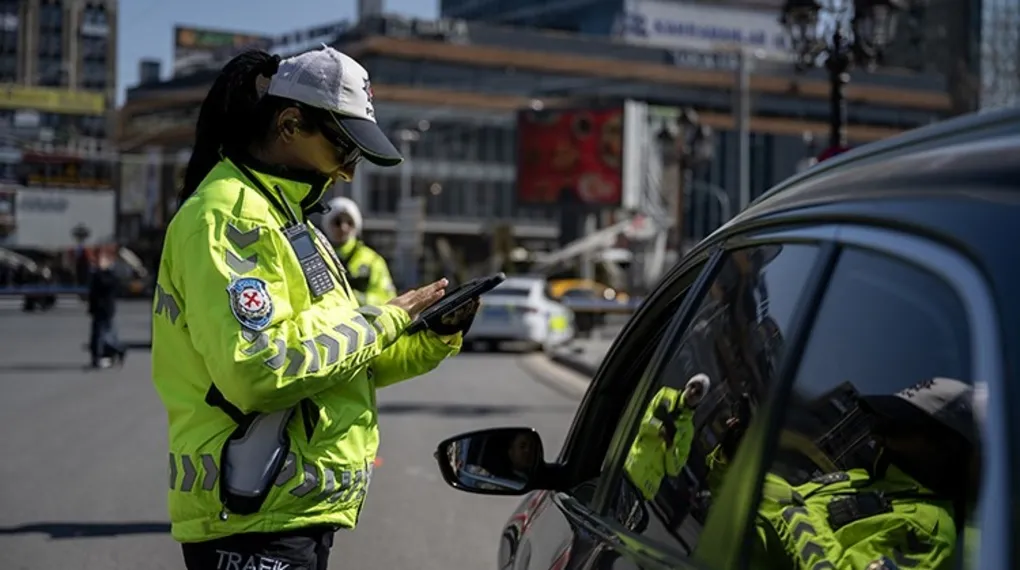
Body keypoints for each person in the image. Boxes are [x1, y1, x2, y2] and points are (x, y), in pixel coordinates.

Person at [151, 45, 479, 570]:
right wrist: (387, 318)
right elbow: (261, 371)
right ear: (289, 123)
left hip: (288, 512)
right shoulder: (232, 217)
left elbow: (344, 364)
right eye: (344, 150)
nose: (348, 172)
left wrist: (434, 336)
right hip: (252, 513)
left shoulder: (292, 220)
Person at [706, 378, 981, 570]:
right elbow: (769, 502)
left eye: (896, 426)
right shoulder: (863, 480)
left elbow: (787, 511)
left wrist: (792, 515)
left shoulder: (929, 530)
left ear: (944, 447)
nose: (876, 433)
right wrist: (736, 459)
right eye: (879, 422)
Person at [624, 374, 710, 501]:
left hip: (645, 488)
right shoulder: (665, 394)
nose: (692, 392)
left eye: (698, 392)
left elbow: (674, 469)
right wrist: (659, 429)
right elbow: (642, 421)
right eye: (692, 386)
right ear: (687, 384)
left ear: (700, 400)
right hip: (630, 469)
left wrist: (670, 446)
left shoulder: (688, 430)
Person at [321, 197, 396, 305]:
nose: (343, 228)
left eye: (349, 222)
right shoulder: (317, 256)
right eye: (337, 222)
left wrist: (355, 298)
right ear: (327, 225)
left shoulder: (372, 260)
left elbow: (388, 301)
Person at [87, 245, 125, 368]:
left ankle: (104, 355)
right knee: (101, 334)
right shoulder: (96, 273)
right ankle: (103, 354)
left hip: (105, 309)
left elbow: (109, 285)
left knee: (101, 334)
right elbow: (93, 292)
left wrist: (102, 270)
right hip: (97, 308)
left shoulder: (109, 274)